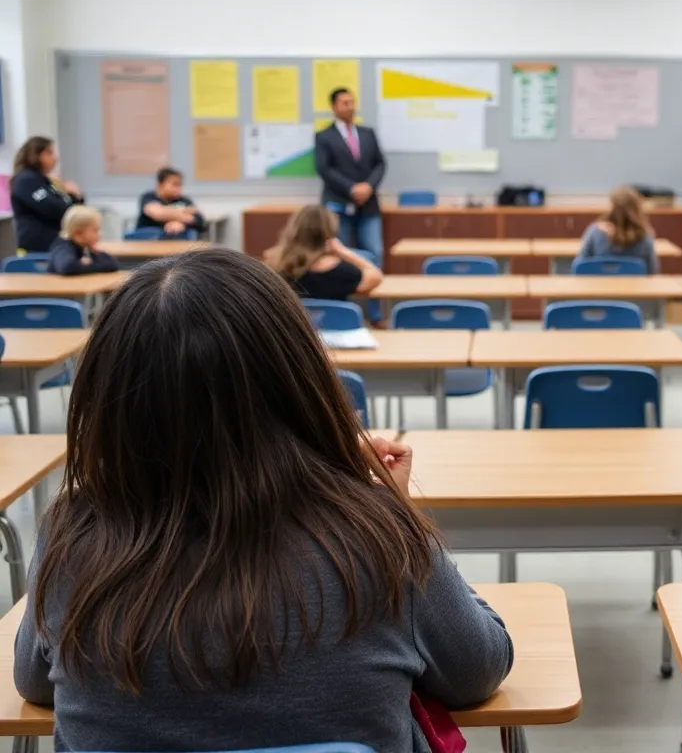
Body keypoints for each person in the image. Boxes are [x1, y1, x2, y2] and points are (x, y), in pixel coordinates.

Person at [15, 249, 514, 751]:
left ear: (107, 398)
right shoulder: (378, 539)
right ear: (297, 379)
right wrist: (399, 517)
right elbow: (478, 669)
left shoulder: (70, 539)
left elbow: (34, 681)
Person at [315, 88, 387, 265]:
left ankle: (374, 291)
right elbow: (324, 169)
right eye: (345, 103)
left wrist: (368, 186)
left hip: (368, 204)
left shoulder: (367, 134)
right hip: (338, 204)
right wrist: (351, 188)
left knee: (374, 251)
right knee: (341, 252)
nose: (350, 107)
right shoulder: (324, 136)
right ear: (334, 107)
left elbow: (380, 163)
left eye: (352, 102)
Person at [265, 204, 383, 301]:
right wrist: (344, 252)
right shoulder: (344, 272)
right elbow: (375, 276)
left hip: (292, 329)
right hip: (335, 328)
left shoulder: (275, 267)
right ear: (329, 232)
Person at [10, 136, 84, 253]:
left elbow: (75, 211)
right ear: (36, 155)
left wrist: (74, 196)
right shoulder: (26, 179)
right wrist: (70, 196)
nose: (56, 158)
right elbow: (53, 208)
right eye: (49, 153)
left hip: (56, 243)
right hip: (38, 246)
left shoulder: (45, 181)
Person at [576, 185, 659, 273]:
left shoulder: (595, 232)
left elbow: (579, 267)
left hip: (600, 286)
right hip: (634, 287)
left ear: (611, 209)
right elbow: (652, 272)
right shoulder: (645, 237)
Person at [47, 206, 119, 275]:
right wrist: (91, 265)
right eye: (95, 230)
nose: (100, 234)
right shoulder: (62, 246)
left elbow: (113, 265)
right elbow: (67, 267)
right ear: (78, 234)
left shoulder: (85, 246)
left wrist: (98, 254)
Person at [136, 167, 205, 239]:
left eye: (180, 185)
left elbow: (199, 220)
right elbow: (158, 213)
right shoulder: (149, 197)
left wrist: (180, 223)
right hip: (149, 240)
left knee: (191, 233)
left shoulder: (184, 200)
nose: (178, 188)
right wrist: (184, 211)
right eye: (174, 184)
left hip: (179, 239)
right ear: (160, 184)